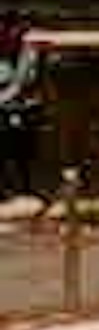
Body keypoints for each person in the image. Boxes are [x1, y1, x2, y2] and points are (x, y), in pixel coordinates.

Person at [0, 19, 41, 202]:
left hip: (25, 108)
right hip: (5, 110)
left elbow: (21, 83)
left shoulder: (29, 51)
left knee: (22, 149)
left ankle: (25, 188)